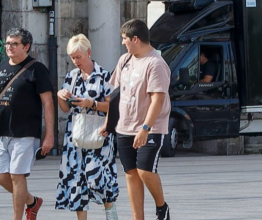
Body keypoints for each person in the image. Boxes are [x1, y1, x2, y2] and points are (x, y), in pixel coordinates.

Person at [0, 28, 55, 220]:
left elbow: (48, 103)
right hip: (0, 131)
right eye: (7, 43)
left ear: (26, 46)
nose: (9, 47)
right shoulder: (1, 68)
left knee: (17, 176)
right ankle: (32, 202)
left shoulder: (37, 69)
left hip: (25, 132)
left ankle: (18, 217)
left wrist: (49, 135)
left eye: (14, 44)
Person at [109, 19, 173, 220]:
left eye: (124, 39)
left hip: (150, 128)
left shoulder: (156, 64)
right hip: (124, 127)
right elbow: (114, 93)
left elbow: (158, 99)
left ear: (135, 39)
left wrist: (145, 128)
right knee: (131, 173)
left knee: (145, 170)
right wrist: (107, 122)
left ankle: (162, 207)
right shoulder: (125, 60)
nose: (123, 43)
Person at [55, 34, 120, 220]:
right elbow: (65, 109)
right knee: (76, 181)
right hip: (75, 135)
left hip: (99, 133)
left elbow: (112, 107)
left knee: (99, 178)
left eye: (79, 57)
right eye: (72, 57)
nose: (76, 61)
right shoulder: (72, 77)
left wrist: (91, 104)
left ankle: (111, 215)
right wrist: (60, 95)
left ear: (89, 53)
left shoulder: (105, 75)